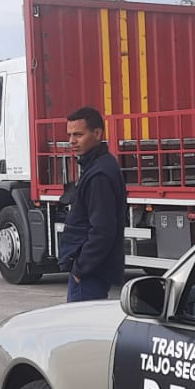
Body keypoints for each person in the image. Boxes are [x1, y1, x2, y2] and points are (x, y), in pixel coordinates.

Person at [54, 106, 126, 301]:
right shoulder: (99, 166)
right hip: (91, 273)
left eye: (78, 135)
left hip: (89, 276)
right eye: (69, 135)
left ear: (97, 133)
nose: (72, 141)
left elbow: (102, 230)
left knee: (80, 320)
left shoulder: (99, 175)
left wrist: (81, 268)